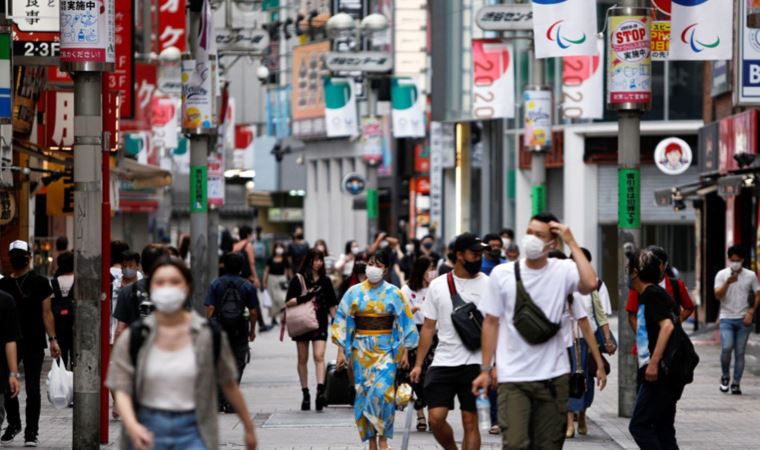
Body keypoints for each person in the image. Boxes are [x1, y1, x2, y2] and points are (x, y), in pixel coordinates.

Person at [473, 213, 605, 450]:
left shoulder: (564, 270)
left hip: (554, 376)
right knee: (514, 444)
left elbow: (590, 283)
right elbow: (491, 322)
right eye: (530, 232)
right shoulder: (503, 275)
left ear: (552, 243)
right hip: (513, 377)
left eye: (539, 235)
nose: (531, 239)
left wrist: (572, 242)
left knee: (549, 445)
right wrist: (486, 368)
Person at [106, 258, 257, 450]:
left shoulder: (207, 335)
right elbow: (122, 390)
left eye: (175, 282)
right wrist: (133, 425)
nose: (167, 288)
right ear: (151, 289)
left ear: (187, 288)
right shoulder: (133, 338)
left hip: (194, 432)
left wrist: (249, 427)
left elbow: (229, 384)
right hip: (146, 431)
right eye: (160, 282)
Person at [410, 233, 490, 450]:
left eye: (481, 254)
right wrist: (418, 364)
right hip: (444, 360)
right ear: (459, 255)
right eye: (474, 254)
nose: (479, 258)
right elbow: (428, 327)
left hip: (475, 363)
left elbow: (497, 327)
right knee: (435, 418)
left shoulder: (490, 285)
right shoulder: (438, 285)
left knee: (469, 421)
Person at [332, 251, 419, 450]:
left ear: (386, 269)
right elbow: (342, 320)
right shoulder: (353, 292)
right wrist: (340, 352)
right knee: (364, 394)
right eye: (370, 263)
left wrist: (405, 350)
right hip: (361, 351)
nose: (373, 268)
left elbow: (405, 321)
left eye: (378, 264)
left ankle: (383, 439)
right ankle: (372, 440)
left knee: (384, 394)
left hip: (386, 350)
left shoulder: (394, 293)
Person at [0, 241, 60, 447]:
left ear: (29, 257)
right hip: (9, 341)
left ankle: (31, 432)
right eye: (13, 254)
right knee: (7, 386)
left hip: (34, 340)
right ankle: (14, 423)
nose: (17, 258)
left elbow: (46, 313)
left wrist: (52, 339)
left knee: (33, 388)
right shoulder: (3, 284)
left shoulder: (41, 282)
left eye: (20, 254)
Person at [627, 249, 681, 449]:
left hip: (659, 374)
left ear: (635, 272)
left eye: (628, 270)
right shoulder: (654, 294)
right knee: (663, 428)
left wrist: (653, 363)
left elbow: (667, 326)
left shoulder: (651, 294)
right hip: (665, 373)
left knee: (639, 426)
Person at [566, 248, 616, 438]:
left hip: (587, 341)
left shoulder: (594, 286)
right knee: (568, 379)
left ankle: (583, 413)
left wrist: (608, 339)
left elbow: (601, 315)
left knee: (584, 379)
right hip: (565, 342)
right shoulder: (563, 285)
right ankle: (569, 421)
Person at [285, 249, 338, 411]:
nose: (318, 263)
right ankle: (305, 393)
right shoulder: (298, 279)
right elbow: (288, 302)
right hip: (302, 322)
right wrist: (305, 297)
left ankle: (320, 392)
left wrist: (336, 323)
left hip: (320, 322)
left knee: (319, 355)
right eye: (315, 260)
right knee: (303, 358)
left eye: (320, 260)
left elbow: (332, 304)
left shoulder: (326, 281)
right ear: (309, 261)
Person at [205, 252, 258, 412]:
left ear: (224, 265)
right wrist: (252, 330)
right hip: (240, 329)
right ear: (241, 267)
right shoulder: (247, 286)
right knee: (238, 363)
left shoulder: (216, 284)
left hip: (219, 329)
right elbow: (254, 311)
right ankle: (230, 400)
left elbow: (210, 307)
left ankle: (220, 399)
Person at [626, 246, 694, 359]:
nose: (652, 266)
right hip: (647, 346)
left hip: (672, 344)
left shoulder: (675, 285)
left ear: (664, 265)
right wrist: (643, 336)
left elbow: (688, 308)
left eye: (656, 262)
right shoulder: (638, 286)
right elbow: (632, 315)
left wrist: (677, 321)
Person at [714, 245, 760, 395]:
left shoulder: (750, 275)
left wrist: (751, 312)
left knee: (740, 352)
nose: (735, 263)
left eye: (738, 260)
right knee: (726, 348)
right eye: (733, 260)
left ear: (743, 260)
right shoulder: (721, 275)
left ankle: (736, 383)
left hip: (743, 319)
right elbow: (717, 295)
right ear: (729, 259)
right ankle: (725, 376)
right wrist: (727, 283)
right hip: (726, 318)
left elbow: (758, 294)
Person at [399, 256, 437, 431]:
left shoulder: (435, 288)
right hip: (414, 335)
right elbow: (402, 320)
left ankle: (432, 412)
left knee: (432, 376)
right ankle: (420, 413)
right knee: (416, 377)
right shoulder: (406, 290)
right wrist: (404, 350)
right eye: (430, 268)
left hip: (434, 335)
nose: (432, 271)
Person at [113, 244, 170, 340]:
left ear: (142, 266)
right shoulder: (177, 292)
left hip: (137, 350)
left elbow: (119, 330)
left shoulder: (126, 291)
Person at [0, 289, 21, 433]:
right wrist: (13, 374)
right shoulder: (6, 300)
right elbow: (10, 340)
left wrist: (13, 373)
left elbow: (10, 340)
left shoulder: (6, 300)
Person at [50, 251, 75, 369]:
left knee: (62, 354)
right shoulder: (79, 280)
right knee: (76, 354)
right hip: (76, 323)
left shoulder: (54, 282)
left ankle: (63, 379)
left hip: (59, 324)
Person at [262, 242, 292, 327]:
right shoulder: (270, 259)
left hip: (282, 280)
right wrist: (264, 282)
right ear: (274, 249)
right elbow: (266, 271)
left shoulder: (285, 259)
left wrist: (292, 281)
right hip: (271, 280)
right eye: (277, 247)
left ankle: (283, 317)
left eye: (281, 247)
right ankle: (273, 318)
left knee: (283, 299)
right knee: (272, 299)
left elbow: (289, 272)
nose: (279, 249)